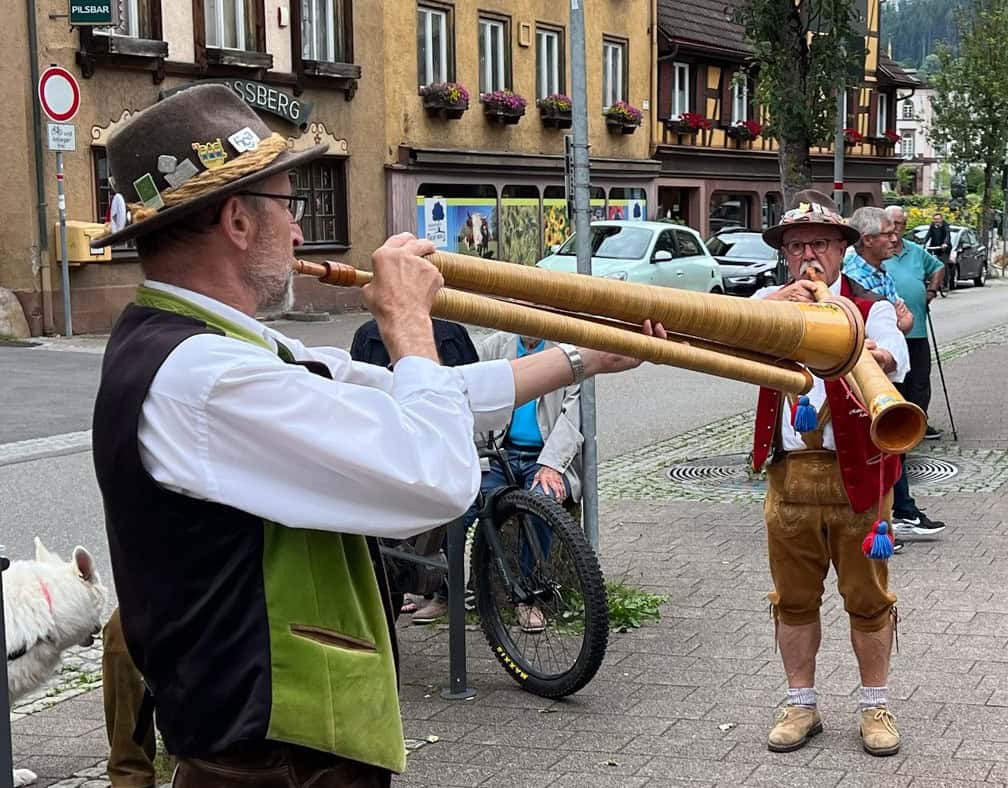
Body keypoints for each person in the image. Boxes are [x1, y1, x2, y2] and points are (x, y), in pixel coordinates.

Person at [89, 84, 661, 787]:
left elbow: (413, 395)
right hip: (270, 763)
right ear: (238, 221)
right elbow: (436, 476)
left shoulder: (220, 348)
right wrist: (409, 323)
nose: (299, 233)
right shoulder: (203, 373)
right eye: (289, 206)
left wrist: (585, 355)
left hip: (286, 752)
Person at [752, 191, 909, 757]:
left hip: (860, 478)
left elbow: (893, 358)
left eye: (819, 242)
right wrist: (778, 303)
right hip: (790, 476)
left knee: (867, 599)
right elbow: (730, 334)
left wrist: (852, 340)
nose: (808, 256)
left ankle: (875, 705)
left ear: (843, 249)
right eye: (796, 246)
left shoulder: (874, 308)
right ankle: (801, 704)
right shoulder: (768, 303)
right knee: (792, 599)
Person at [408, 331, 583, 629]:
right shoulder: (493, 347)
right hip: (499, 453)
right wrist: (471, 458)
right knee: (457, 506)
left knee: (542, 503)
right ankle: (445, 592)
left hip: (545, 458)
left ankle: (528, 596)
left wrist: (552, 465)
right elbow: (471, 405)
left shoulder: (566, 353)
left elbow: (571, 417)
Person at [884, 206, 946, 442]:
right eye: (892, 223)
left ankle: (919, 422)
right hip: (889, 332)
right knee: (895, 379)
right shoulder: (879, 251)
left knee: (919, 379)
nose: (896, 228)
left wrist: (931, 290)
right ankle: (896, 425)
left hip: (917, 328)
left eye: (900, 224)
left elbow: (938, 267)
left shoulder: (916, 251)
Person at [923, 212, 952, 290]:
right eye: (935, 219)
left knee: (943, 265)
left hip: (944, 248)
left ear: (941, 219)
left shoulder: (945, 226)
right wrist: (924, 243)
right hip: (934, 246)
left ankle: (945, 284)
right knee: (927, 261)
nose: (936, 221)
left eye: (938, 219)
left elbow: (947, 235)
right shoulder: (932, 226)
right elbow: (928, 235)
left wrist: (945, 243)